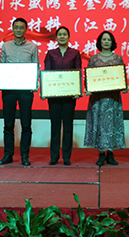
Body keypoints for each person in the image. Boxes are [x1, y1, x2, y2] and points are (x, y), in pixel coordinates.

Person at [0, 18, 39, 166]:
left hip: (25, 90)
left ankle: (24, 155)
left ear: (26, 29)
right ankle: (8, 154)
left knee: (26, 123)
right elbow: (2, 65)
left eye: (22, 27)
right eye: (16, 27)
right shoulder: (6, 46)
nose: (19, 30)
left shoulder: (33, 47)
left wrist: (35, 83)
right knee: (8, 123)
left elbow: (36, 67)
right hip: (9, 89)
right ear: (13, 29)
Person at [84, 31, 126, 166]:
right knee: (99, 124)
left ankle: (111, 153)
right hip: (98, 99)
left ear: (112, 42)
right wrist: (87, 88)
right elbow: (89, 78)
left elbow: (122, 77)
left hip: (113, 99)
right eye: (104, 39)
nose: (106, 42)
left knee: (112, 123)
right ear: (100, 42)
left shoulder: (118, 58)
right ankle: (101, 153)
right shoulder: (94, 59)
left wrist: (124, 87)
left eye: (108, 39)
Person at [44, 26, 82, 166]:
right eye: (59, 34)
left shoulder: (75, 53)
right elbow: (47, 73)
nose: (62, 37)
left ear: (69, 37)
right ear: (56, 38)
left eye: (64, 34)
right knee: (55, 126)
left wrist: (78, 90)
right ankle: (54, 157)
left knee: (67, 126)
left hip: (69, 96)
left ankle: (66, 157)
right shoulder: (50, 53)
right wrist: (45, 91)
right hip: (54, 96)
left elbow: (78, 72)